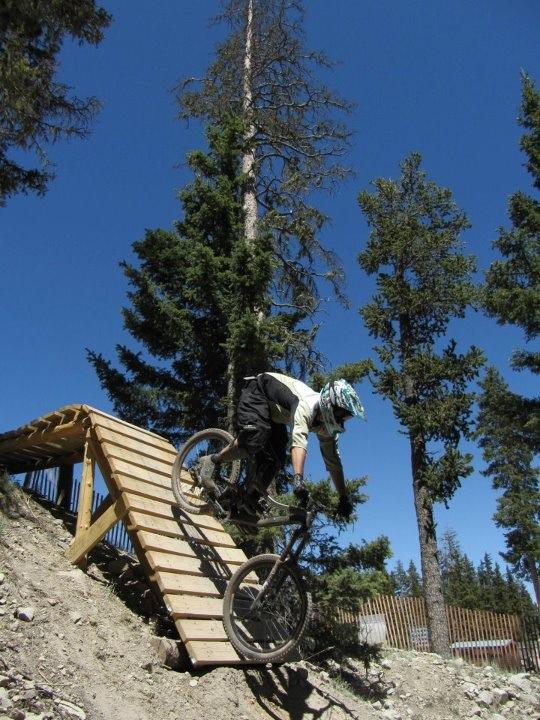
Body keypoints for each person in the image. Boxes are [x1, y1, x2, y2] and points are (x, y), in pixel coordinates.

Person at [198, 372, 364, 520]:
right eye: (342, 414)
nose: (342, 420)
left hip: (275, 415)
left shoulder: (326, 427)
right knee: (257, 435)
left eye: (346, 417)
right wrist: (298, 480)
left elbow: (333, 462)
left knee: (276, 459)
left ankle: (246, 502)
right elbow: (298, 442)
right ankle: (213, 460)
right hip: (258, 391)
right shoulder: (305, 405)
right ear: (330, 403)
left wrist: (343, 498)